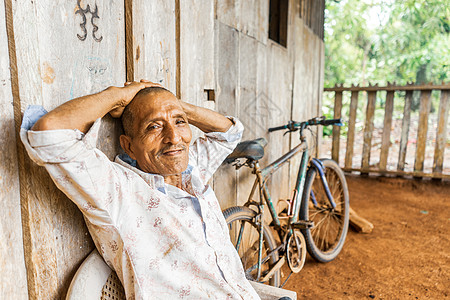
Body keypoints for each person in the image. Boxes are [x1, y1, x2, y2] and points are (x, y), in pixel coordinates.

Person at [20, 80, 261, 299]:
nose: (174, 137)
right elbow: (48, 133)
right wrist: (117, 96)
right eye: (154, 127)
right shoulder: (119, 191)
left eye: (180, 123)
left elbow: (229, 133)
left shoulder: (191, 168)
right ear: (129, 146)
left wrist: (172, 104)